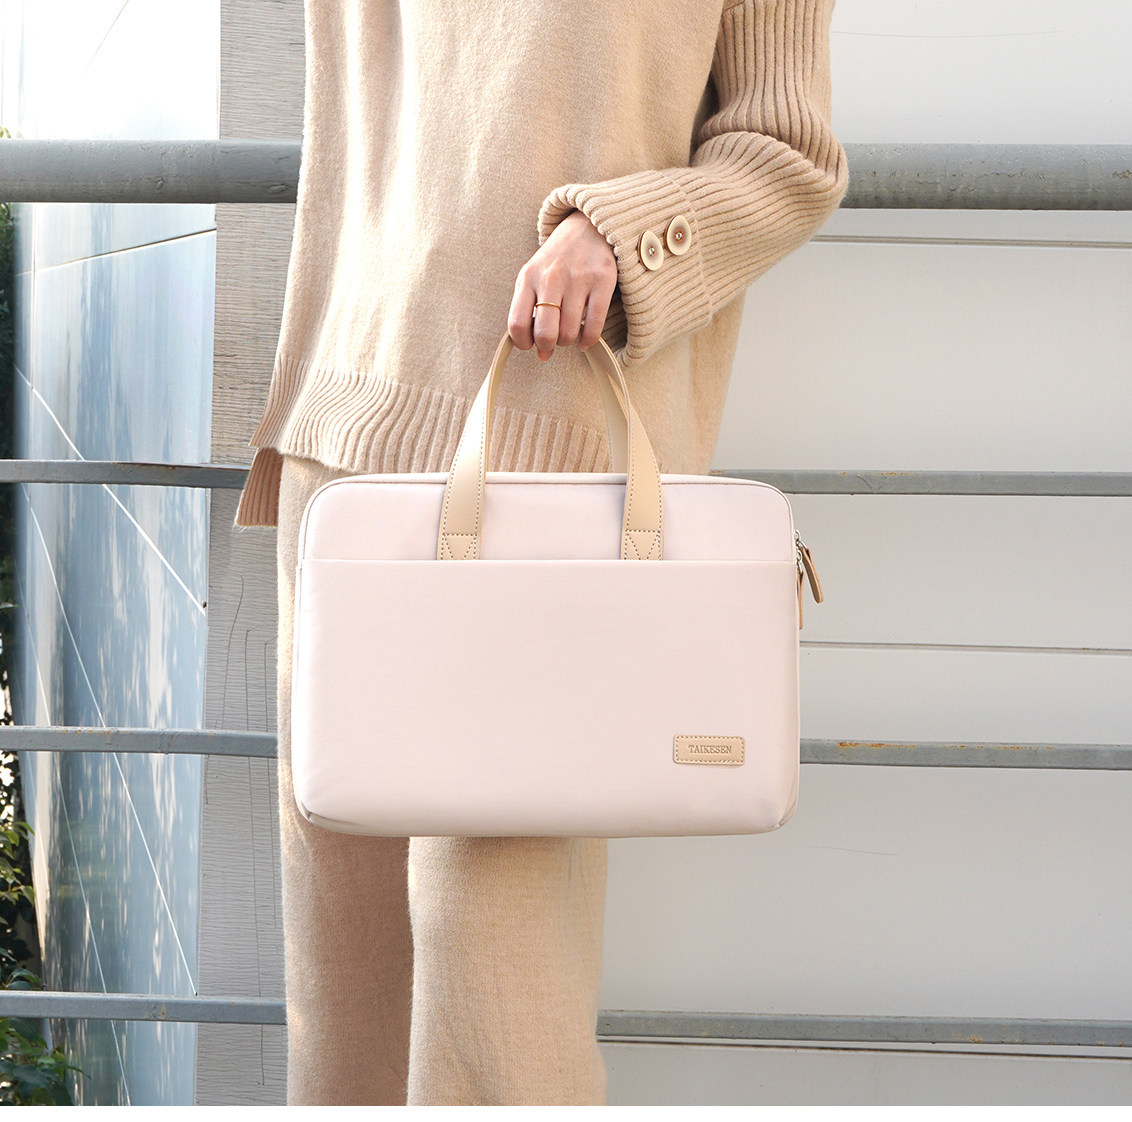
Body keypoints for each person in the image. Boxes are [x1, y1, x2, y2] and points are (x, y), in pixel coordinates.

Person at [233, 0, 849, 1106]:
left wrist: (623, 233)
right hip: (350, 456)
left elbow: (788, 156)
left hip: (553, 482)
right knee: (348, 992)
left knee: (494, 982)